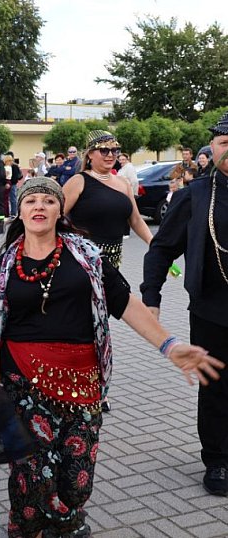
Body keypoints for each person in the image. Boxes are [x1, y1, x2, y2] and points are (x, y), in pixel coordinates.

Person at [0, 176, 223, 537]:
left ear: (61, 210)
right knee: (32, 475)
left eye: (48, 200)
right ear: (20, 211)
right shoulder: (2, 267)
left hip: (83, 384)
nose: (40, 206)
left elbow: (125, 304)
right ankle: (29, 529)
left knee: (76, 479)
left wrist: (169, 345)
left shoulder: (87, 257)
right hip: (22, 383)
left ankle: (67, 521)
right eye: (31, 201)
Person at [142, 112, 228, 497]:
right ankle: (218, 459)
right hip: (212, 309)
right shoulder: (195, 195)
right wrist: (151, 297)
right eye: (224, 143)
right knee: (215, 386)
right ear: (213, 147)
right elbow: (161, 249)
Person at [63, 131, 153, 269]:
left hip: (114, 261)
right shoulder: (78, 181)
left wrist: (153, 243)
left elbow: (135, 220)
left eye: (115, 150)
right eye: (104, 150)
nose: (110, 155)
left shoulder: (124, 183)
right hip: (83, 262)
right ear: (90, 154)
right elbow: (56, 216)